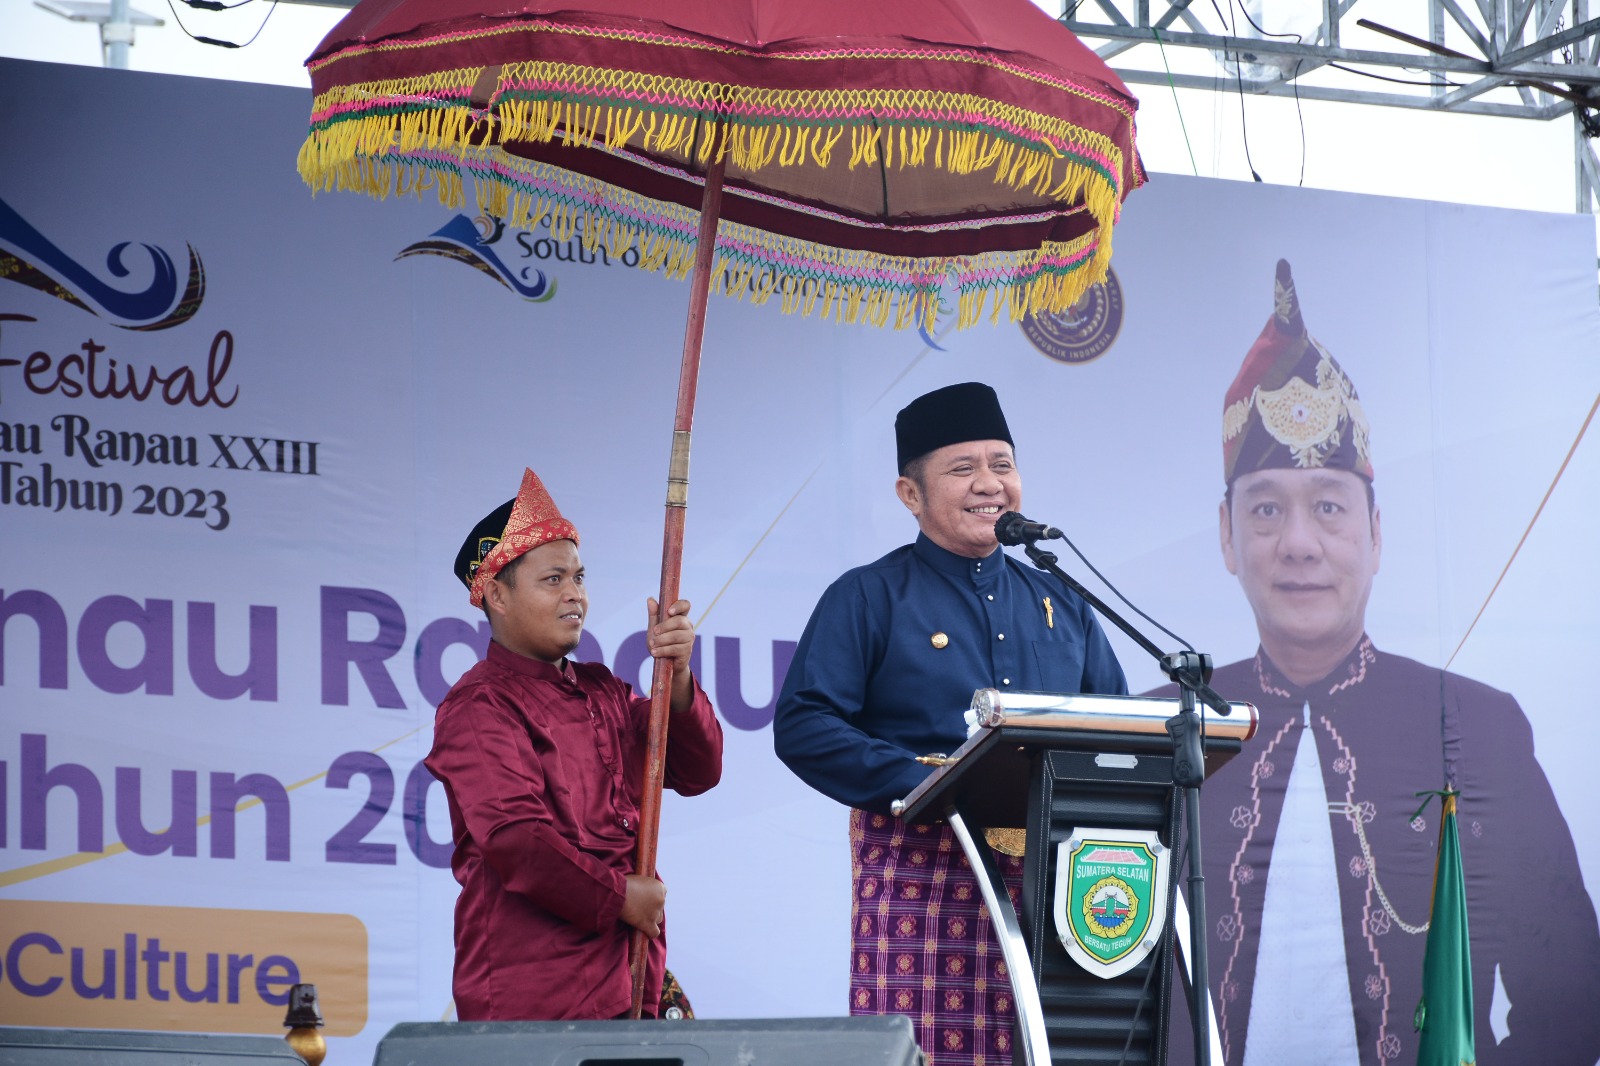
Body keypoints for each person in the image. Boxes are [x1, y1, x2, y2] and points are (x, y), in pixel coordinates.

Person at [1160, 261, 1600, 1066]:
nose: (1299, 543)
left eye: (1329, 506)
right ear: (1226, 536)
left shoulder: (1477, 726)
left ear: (1375, 533)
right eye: (1267, 508)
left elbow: (1571, 1000)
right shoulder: (1164, 727)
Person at [773, 382, 1128, 1066]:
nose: (989, 484)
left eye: (1002, 465)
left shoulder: (1062, 599)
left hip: (1060, 881)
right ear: (910, 494)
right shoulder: (869, 596)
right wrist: (927, 779)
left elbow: (1115, 727)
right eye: (964, 469)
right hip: (925, 869)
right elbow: (805, 724)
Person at [425, 467, 724, 1022]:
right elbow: (516, 840)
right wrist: (621, 898)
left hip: (628, 979)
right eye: (553, 579)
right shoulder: (479, 705)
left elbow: (696, 769)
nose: (575, 595)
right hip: (534, 995)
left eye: (579, 577)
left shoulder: (603, 690)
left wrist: (678, 675)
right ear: (497, 595)